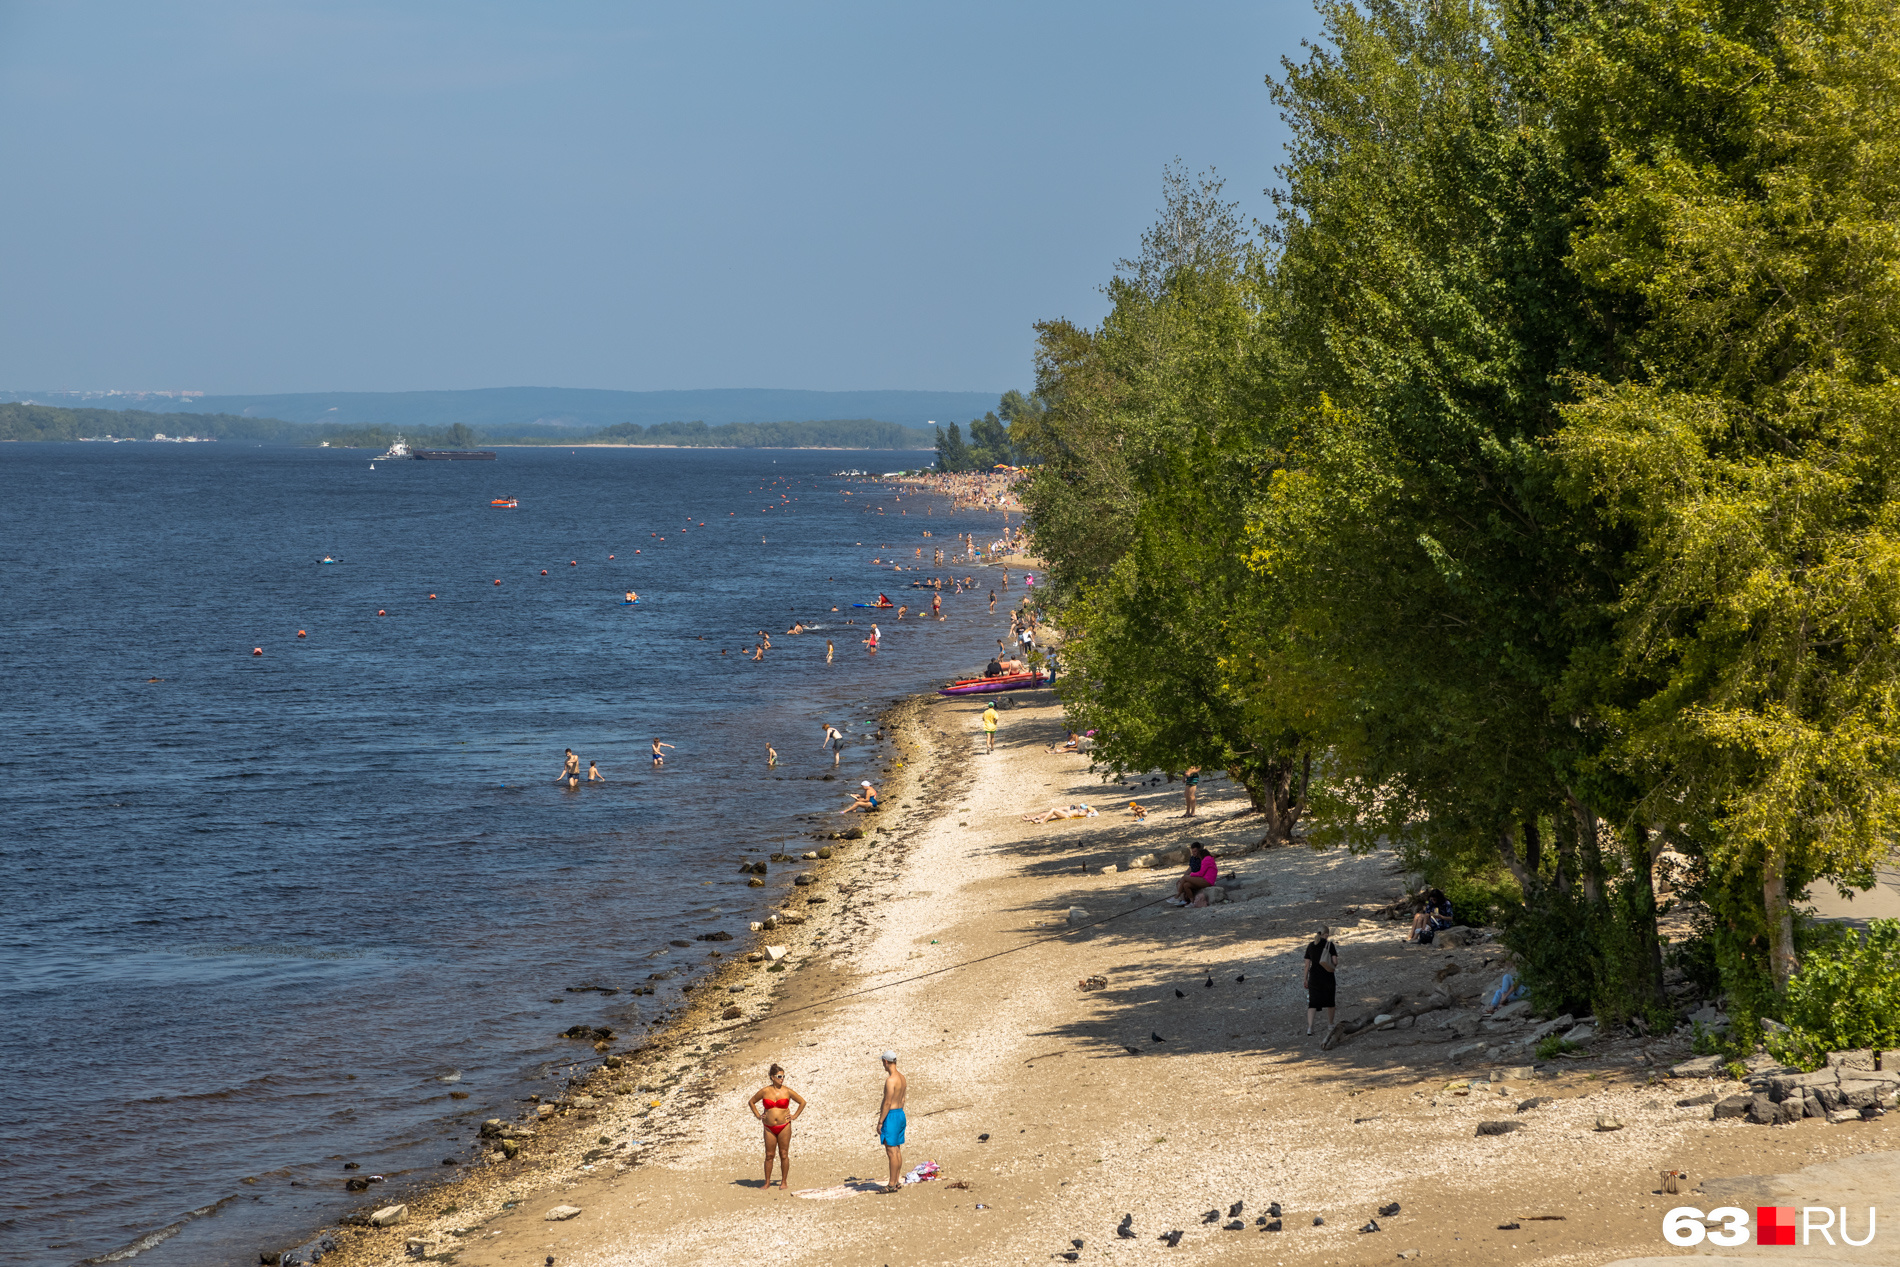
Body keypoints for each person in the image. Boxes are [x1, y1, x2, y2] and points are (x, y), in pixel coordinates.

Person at [748, 1063, 806, 1192]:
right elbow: (751, 1102)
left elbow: (802, 1102)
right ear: (772, 1077)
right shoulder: (765, 1091)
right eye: (780, 1076)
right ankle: (767, 1182)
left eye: (783, 1076)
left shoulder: (787, 1091)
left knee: (784, 1154)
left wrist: (794, 1116)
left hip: (784, 1126)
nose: (782, 1079)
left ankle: (784, 1181)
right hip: (768, 1127)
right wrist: (758, 1115)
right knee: (769, 1155)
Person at [876, 1051, 907, 1193]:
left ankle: (891, 1183)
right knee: (897, 1149)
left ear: (885, 1061)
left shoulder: (891, 1080)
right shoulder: (902, 1078)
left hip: (892, 1115)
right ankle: (896, 1181)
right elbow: (903, 1099)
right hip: (900, 1113)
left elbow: (887, 1102)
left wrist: (881, 1121)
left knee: (891, 1151)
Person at [1304, 926, 1339, 1035]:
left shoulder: (1310, 945)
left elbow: (1306, 965)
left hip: (1314, 977)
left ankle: (1310, 1028)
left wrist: (1305, 978)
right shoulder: (1330, 945)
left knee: (1312, 1003)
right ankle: (1330, 1024)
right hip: (1327, 976)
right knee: (1330, 1001)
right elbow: (1335, 961)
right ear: (1326, 934)